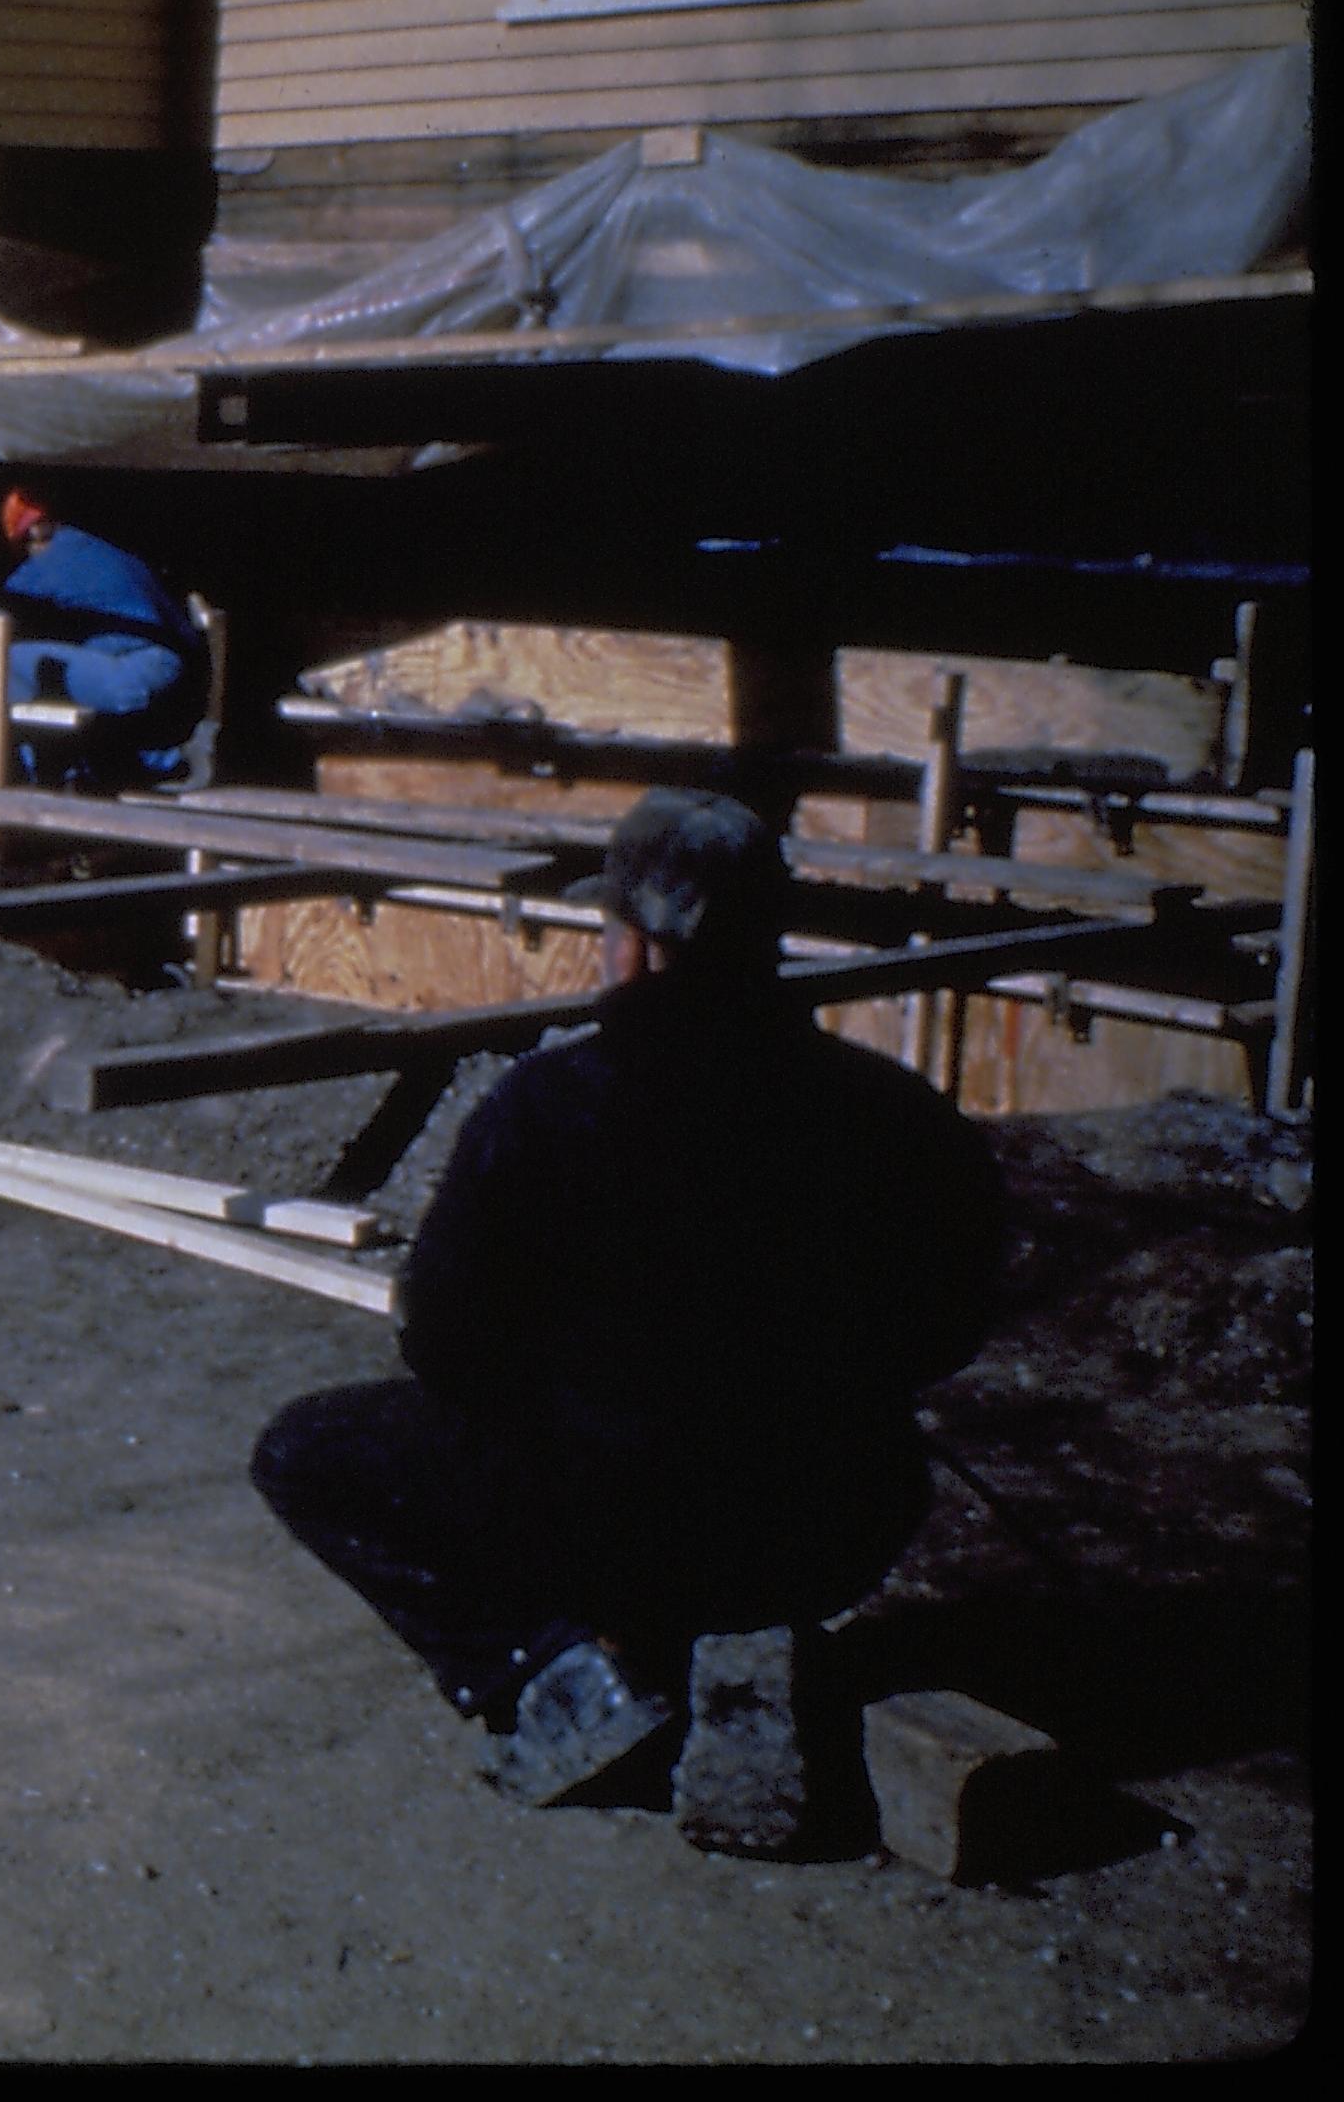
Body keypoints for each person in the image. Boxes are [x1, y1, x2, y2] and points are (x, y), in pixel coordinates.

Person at [249, 788, 1003, 1852]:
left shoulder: (548, 1110)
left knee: (307, 1452)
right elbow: (954, 1325)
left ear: (637, 950)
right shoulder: (896, 1112)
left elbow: (441, 1338)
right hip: (829, 1527)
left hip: (605, 1534)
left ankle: (566, 1676)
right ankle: (729, 1651)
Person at [0, 485, 207, 792]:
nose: (26, 557)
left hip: (138, 672)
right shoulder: (100, 548)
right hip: (167, 672)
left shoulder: (56, 555)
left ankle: (28, 772)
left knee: (2, 661)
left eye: (24, 547)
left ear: (36, 533)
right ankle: (141, 760)